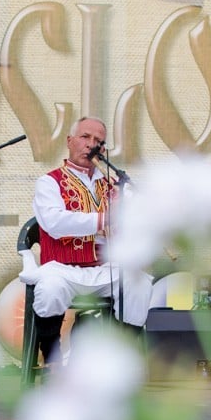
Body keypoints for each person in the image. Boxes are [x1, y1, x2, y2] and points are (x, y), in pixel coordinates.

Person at [30, 116, 153, 368]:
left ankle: (121, 359)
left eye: (98, 141)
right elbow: (54, 222)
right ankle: (52, 360)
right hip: (62, 267)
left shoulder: (114, 185)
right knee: (50, 289)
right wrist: (103, 219)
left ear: (103, 150)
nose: (91, 144)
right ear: (70, 141)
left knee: (138, 284)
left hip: (104, 269)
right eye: (85, 137)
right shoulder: (49, 182)